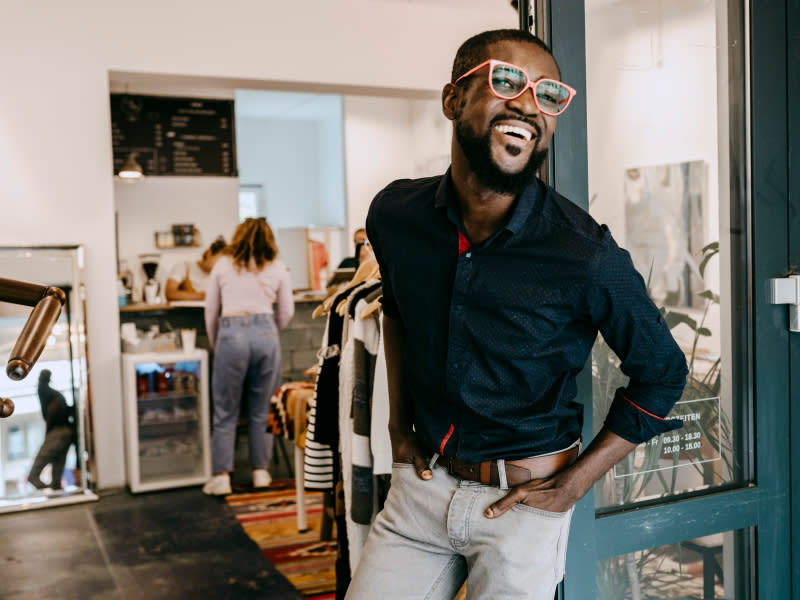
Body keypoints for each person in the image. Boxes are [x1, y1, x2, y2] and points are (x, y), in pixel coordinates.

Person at [346, 29, 688, 599]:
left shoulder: (585, 253)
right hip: (420, 494)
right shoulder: (395, 213)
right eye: (508, 81)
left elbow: (663, 374)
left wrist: (574, 485)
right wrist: (396, 426)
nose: (529, 104)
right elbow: (399, 312)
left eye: (549, 95)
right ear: (453, 99)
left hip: (524, 507)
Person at [202, 218, 295, 495]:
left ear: (238, 237)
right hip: (266, 335)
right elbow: (287, 312)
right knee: (263, 409)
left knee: (225, 409)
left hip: (231, 336)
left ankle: (222, 477)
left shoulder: (222, 265)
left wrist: (218, 343)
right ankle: (261, 473)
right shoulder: (278, 267)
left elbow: (210, 311)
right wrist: (268, 331)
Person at [28, 370, 75, 492]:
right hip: (65, 432)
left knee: (33, 476)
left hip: (58, 432)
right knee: (56, 480)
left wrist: (48, 431)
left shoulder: (47, 392)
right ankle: (55, 491)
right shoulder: (48, 392)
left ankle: (53, 489)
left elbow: (54, 408)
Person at [164, 237, 226, 301]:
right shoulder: (183, 267)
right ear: (209, 253)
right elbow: (170, 293)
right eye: (219, 261)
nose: (221, 266)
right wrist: (202, 296)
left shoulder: (220, 276)